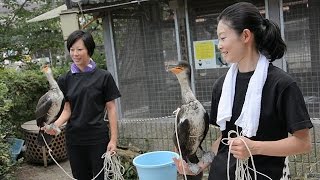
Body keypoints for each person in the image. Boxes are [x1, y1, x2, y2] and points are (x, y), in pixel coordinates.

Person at [174, 2, 313, 180]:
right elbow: (224, 140)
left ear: (246, 35)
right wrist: (197, 167)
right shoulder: (221, 86)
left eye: (223, 38)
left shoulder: (282, 85)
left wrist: (255, 148)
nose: (219, 45)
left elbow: (303, 143)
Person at [43, 30, 121, 180]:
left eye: (79, 49)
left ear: (89, 50)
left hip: (98, 138)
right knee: (80, 177)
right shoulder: (65, 79)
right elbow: (67, 110)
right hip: (74, 139)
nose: (75, 54)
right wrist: (54, 126)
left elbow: (111, 109)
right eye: (72, 50)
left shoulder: (104, 77)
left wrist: (113, 140)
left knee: (102, 177)